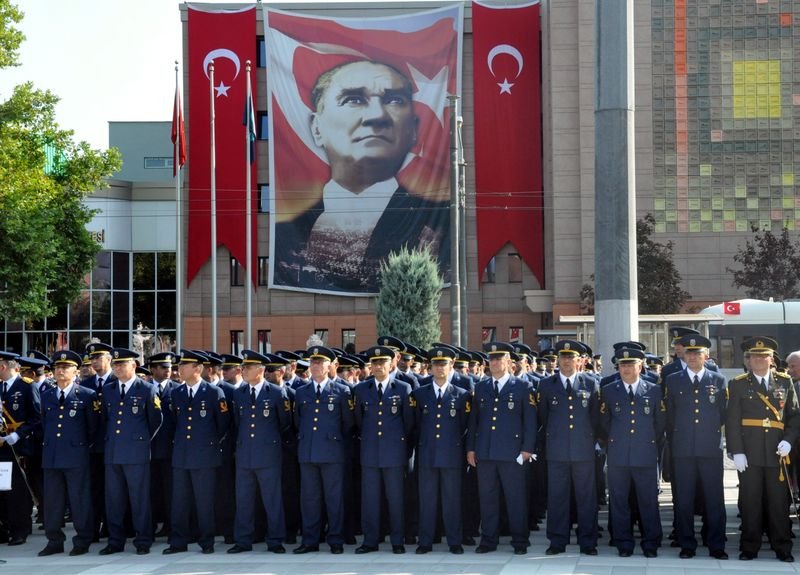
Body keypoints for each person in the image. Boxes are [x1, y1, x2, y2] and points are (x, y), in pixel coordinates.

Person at [274, 59, 450, 293]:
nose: (377, 115)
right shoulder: (284, 235)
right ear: (316, 128)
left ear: (413, 130)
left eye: (394, 100)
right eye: (353, 100)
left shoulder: (440, 225)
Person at [726, 337, 800, 562]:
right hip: (749, 452)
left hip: (777, 453)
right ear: (749, 360)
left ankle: (782, 546)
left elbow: (794, 416)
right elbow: (732, 420)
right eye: (755, 356)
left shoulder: (784, 382)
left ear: (771, 359)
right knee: (750, 501)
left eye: (763, 356)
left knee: (779, 502)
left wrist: (788, 440)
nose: (759, 360)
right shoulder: (738, 384)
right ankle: (749, 546)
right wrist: (736, 451)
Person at [466, 342, 537, 555]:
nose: (495, 363)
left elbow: (530, 422)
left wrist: (527, 449)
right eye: (492, 359)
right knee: (487, 499)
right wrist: (471, 449)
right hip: (486, 452)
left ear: (509, 362)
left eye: (499, 359)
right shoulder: (481, 387)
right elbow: (474, 422)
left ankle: (520, 541)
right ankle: (488, 540)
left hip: (512, 453)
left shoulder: (523, 387)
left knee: (515, 499)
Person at [663, 335, 728, 559]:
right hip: (682, 449)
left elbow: (722, 413)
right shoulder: (672, 380)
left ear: (706, 356)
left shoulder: (718, 380)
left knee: (714, 498)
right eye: (689, 353)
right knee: (683, 498)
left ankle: (716, 544)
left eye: (697, 353)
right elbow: (669, 415)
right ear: (683, 355)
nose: (692, 357)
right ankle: (686, 544)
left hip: (710, 449)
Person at [536, 340, 601, 556]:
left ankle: (588, 541)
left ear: (579, 360)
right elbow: (543, 418)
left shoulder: (591, 384)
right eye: (563, 357)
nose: (566, 361)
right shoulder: (546, 385)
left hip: (583, 450)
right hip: (556, 450)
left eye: (571, 357)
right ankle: (557, 541)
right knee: (557, 498)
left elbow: (595, 419)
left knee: (586, 498)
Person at [163, 350, 231, 555]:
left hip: (205, 456)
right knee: (179, 502)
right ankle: (178, 541)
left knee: (204, 502)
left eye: (184, 366)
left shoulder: (213, 393)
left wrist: (208, 444)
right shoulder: (177, 393)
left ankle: (207, 541)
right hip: (181, 455)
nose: (179, 369)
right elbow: (173, 423)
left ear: (198, 369)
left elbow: (223, 425)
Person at [600, 347, 665, 558]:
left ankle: (651, 543)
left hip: (645, 453)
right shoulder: (609, 390)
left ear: (640, 365)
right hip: (618, 455)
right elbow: (604, 423)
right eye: (623, 365)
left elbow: (660, 422)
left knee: (648, 501)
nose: (626, 368)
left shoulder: (654, 390)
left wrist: (646, 441)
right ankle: (623, 543)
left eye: (631, 364)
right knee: (618, 501)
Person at [227, 350, 291, 555]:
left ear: (261, 370)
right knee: (243, 499)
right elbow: (237, 422)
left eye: (248, 367)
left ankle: (275, 540)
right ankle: (243, 540)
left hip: (268, 454)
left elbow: (284, 423)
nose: (243, 370)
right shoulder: (239, 393)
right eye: (243, 367)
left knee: (273, 499)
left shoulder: (276, 392)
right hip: (245, 454)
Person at [37, 350, 100, 557]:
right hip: (52, 455)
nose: (60, 370)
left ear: (76, 371)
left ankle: (82, 540)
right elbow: (45, 424)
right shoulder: (47, 396)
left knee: (79, 500)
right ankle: (54, 540)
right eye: (57, 367)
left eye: (65, 367)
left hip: (76, 456)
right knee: (53, 501)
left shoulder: (87, 395)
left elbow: (93, 429)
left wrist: (80, 447)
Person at [292, 346, 355, 554]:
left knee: (334, 498)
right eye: (313, 362)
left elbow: (348, 424)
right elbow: (297, 421)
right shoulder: (301, 392)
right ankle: (310, 540)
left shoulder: (342, 391)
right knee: (309, 499)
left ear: (330, 366)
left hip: (332, 452)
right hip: (308, 452)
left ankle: (335, 539)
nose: (316, 366)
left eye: (320, 362)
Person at [99, 348, 162, 555]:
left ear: (133, 365)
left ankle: (143, 540)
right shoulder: (108, 390)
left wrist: (141, 442)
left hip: (136, 454)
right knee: (114, 500)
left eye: (122, 364)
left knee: (139, 499)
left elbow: (155, 420)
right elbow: (105, 420)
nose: (117, 368)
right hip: (113, 452)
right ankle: (115, 541)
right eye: (115, 364)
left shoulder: (146, 389)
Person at [353, 345, 415, 554]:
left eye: (382, 362)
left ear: (392, 364)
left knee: (395, 498)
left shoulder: (403, 389)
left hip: (394, 453)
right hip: (370, 452)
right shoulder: (361, 389)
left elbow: (408, 423)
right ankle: (370, 541)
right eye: (375, 363)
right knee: (370, 500)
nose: (378, 366)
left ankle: (397, 540)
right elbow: (359, 421)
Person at [412, 346, 471, 555]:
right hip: (427, 454)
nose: (439, 368)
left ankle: (454, 541)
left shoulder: (462, 395)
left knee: (452, 500)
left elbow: (466, 426)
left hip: (451, 455)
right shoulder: (420, 394)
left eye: (443, 364)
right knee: (427, 500)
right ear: (430, 367)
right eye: (435, 364)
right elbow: (415, 425)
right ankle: (425, 541)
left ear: (451, 365)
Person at [0, 350, 41, 546]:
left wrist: (18, 434)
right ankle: (3, 527)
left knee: (16, 489)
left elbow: (37, 417)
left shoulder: (26, 386)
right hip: (1, 445)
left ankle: (20, 530)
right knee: (1, 488)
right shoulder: (0, 388)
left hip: (18, 447)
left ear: (3, 366)